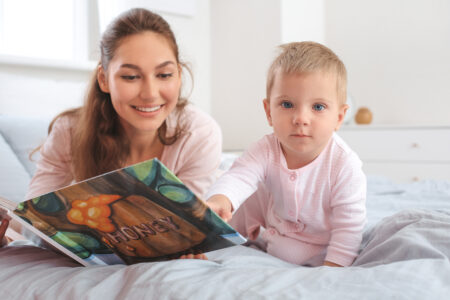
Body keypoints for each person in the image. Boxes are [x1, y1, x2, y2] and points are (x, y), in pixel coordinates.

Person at [1, 8, 222, 260]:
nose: (150, 93)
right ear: (104, 79)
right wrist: (7, 236)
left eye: (164, 75)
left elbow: (189, 230)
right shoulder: (69, 130)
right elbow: (34, 218)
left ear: (179, 76)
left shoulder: (200, 133)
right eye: (130, 76)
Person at [206, 41, 367, 267]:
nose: (301, 118)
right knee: (238, 191)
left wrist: (334, 269)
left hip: (318, 246)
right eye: (287, 104)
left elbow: (349, 228)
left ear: (339, 117)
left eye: (318, 107)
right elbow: (240, 175)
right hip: (273, 224)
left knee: (295, 252)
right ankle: (211, 237)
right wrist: (219, 199)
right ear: (268, 111)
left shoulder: (344, 165)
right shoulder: (266, 148)